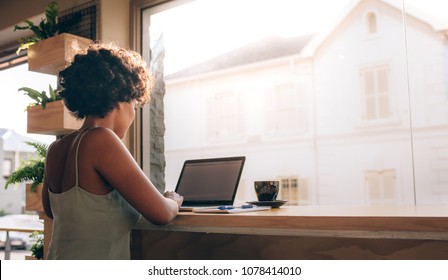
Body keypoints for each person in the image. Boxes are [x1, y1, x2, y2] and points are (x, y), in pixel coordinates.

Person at [42, 41, 183, 260]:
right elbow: (162, 213)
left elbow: (54, 211)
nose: (133, 115)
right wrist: (173, 199)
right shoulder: (102, 139)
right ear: (120, 100)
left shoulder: (56, 148)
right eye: (135, 106)